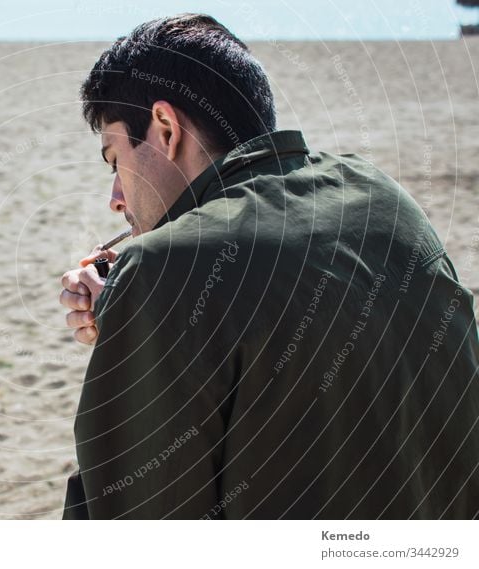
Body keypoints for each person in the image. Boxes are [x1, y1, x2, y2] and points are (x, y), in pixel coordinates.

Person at [58, 13, 479, 519]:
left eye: (114, 160)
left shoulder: (161, 268)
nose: (116, 197)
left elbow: (132, 515)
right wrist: (133, 316)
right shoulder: (383, 198)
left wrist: (141, 310)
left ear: (166, 129)